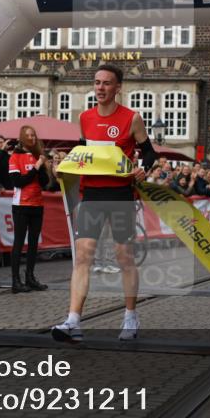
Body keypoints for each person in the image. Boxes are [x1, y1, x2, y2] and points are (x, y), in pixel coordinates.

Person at [52, 65, 157, 343]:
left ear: (117, 87)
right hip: (91, 195)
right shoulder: (85, 117)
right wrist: (63, 169)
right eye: (97, 82)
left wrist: (143, 168)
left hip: (120, 194)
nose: (100, 88)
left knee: (124, 257)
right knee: (83, 257)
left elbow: (149, 153)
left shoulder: (132, 118)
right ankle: (73, 320)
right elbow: (81, 154)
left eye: (107, 83)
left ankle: (130, 316)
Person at [8, 125, 52, 293]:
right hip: (21, 205)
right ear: (22, 137)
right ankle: (15, 281)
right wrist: (35, 168)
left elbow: (44, 183)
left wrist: (42, 166)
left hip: (37, 205)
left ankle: (30, 277)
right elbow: (18, 182)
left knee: (34, 243)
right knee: (19, 242)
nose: (32, 138)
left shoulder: (36, 156)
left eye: (33, 135)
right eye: (28, 135)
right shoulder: (15, 157)